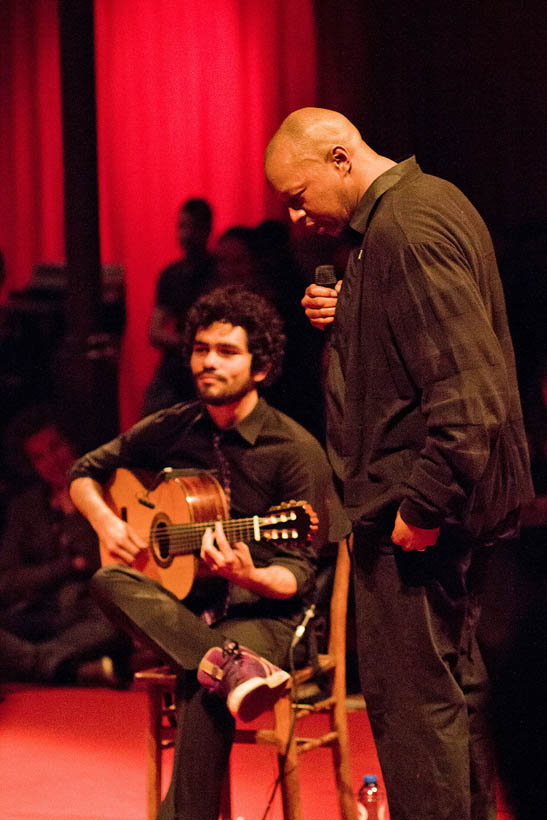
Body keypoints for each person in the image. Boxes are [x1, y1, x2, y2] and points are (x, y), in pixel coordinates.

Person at [264, 107, 534, 820]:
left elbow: (465, 395)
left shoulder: (405, 229)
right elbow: (426, 350)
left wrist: (421, 507)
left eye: (297, 195)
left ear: (341, 160)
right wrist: (351, 308)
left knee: (416, 711)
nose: (295, 217)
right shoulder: (427, 205)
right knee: (456, 697)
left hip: (417, 512)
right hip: (451, 504)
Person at [69, 286, 348, 820]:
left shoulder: (294, 451)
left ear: (260, 368)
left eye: (226, 351)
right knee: (109, 580)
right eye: (201, 349)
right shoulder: (175, 426)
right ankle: (229, 667)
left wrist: (250, 573)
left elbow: (300, 578)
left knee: (205, 677)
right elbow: (84, 472)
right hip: (188, 611)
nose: (209, 362)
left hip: (267, 614)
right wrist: (108, 521)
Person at [0, 406, 129, 686]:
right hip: (38, 615)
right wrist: (67, 566)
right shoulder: (26, 506)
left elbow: (105, 562)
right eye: (38, 457)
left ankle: (37, 664)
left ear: (72, 443)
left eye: (55, 447)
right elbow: (6, 580)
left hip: (93, 616)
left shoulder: (108, 493)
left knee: (115, 627)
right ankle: (69, 670)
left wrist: (75, 513)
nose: (52, 461)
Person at [142, 198, 217, 416]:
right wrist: (189, 342)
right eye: (182, 226)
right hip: (177, 369)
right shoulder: (171, 274)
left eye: (193, 227)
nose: (186, 235)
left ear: (207, 229)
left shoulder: (218, 271)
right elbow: (154, 331)